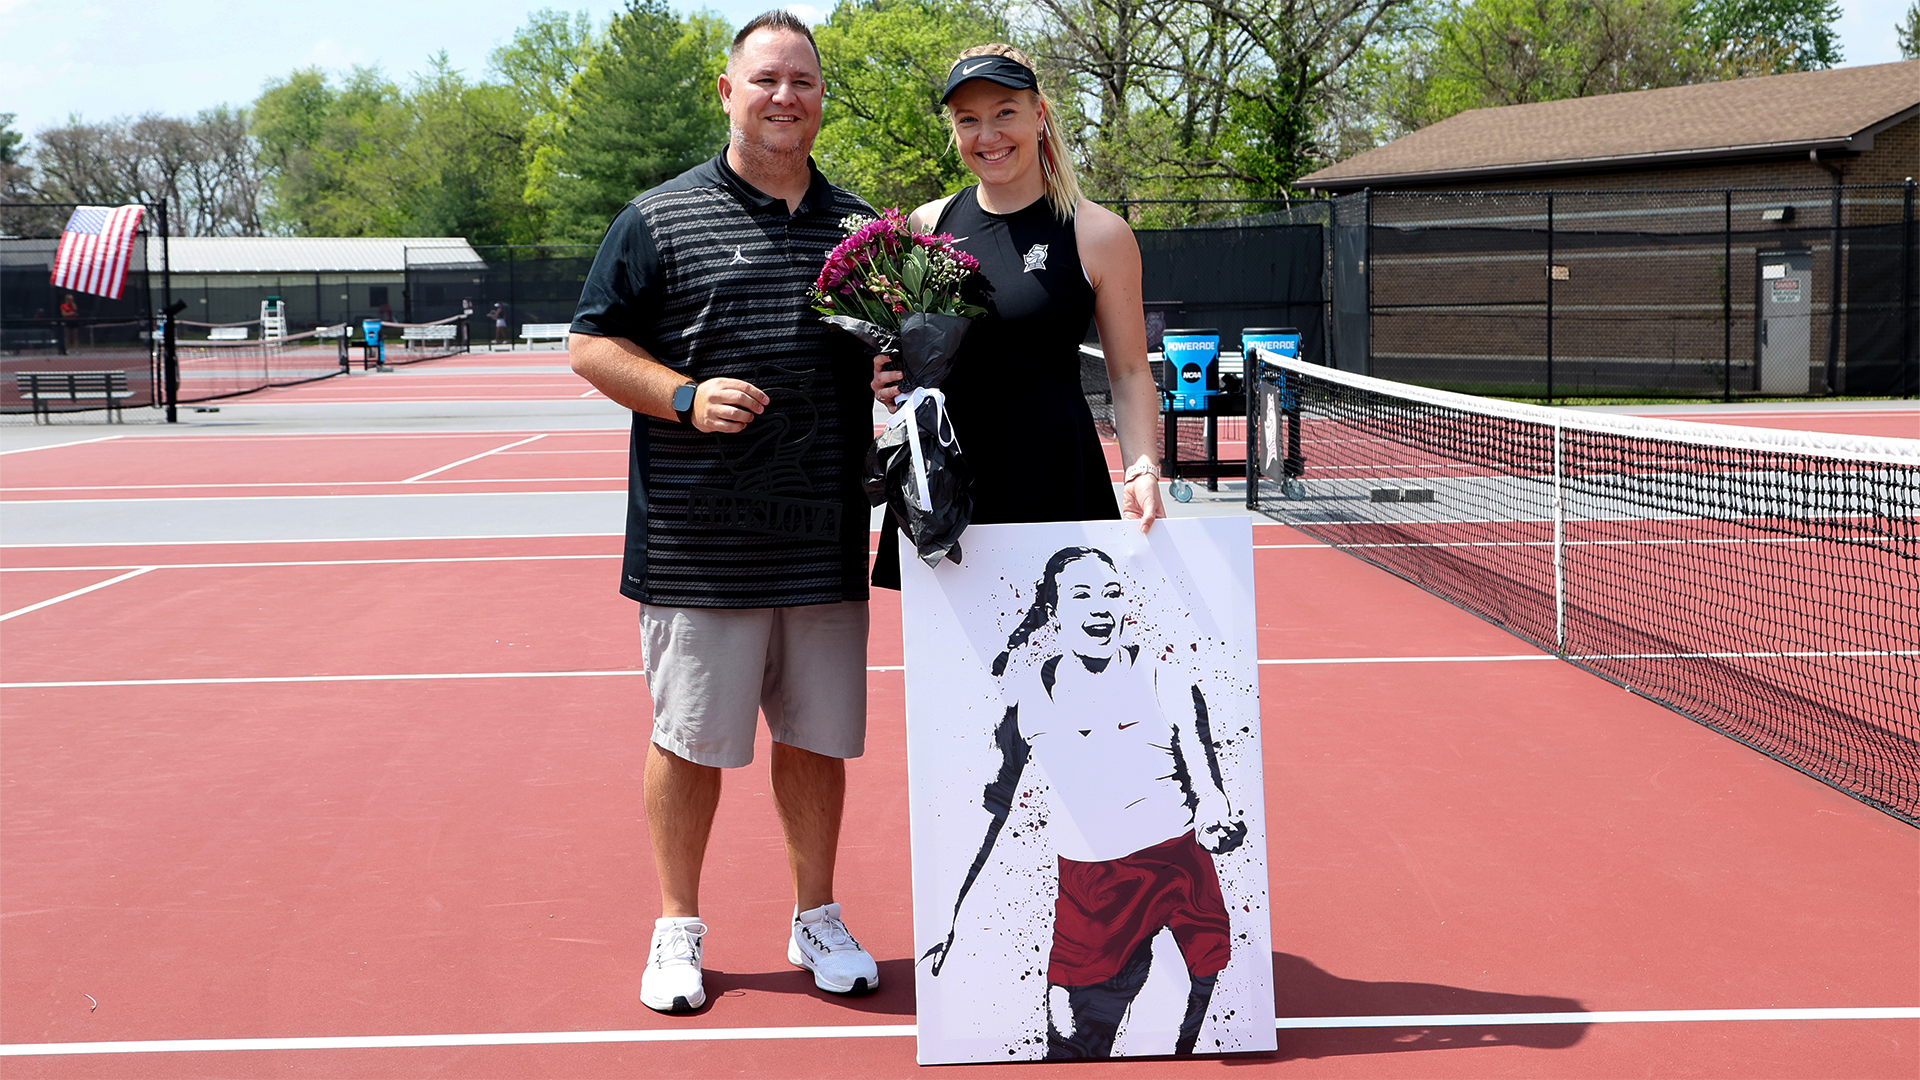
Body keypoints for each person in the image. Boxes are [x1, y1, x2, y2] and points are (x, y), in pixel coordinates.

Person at [568, 11, 883, 1016]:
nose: (784, 96)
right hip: (699, 546)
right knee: (687, 741)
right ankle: (677, 925)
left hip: (826, 539)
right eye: (765, 80)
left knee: (817, 739)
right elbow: (590, 346)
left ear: (821, 97)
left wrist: (891, 367)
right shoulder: (657, 218)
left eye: (803, 81)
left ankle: (816, 914)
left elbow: (887, 353)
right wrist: (681, 396)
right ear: (726, 92)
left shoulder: (863, 231)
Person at [921, 546, 1246, 1058]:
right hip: (1089, 885)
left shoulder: (1169, 679)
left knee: (1191, 1023)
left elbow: (1207, 783)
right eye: (1082, 595)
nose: (1101, 608)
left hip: (1178, 866)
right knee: (1070, 1041)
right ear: (1054, 613)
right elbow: (990, 810)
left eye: (1112, 594)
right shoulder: (1026, 698)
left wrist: (1215, 818)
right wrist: (950, 913)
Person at [868, 44, 1165, 589]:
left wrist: (1142, 466)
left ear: (1039, 115)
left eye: (1005, 112)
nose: (989, 135)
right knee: (953, 672)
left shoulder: (1099, 234)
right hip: (943, 483)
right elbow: (908, 356)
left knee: (1065, 654)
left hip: (1053, 473)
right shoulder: (924, 225)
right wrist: (891, 379)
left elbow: (1128, 372)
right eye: (969, 120)